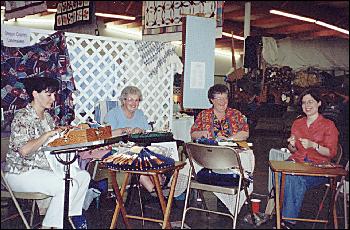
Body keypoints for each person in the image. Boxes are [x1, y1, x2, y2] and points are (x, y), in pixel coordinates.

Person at [4, 77, 90, 229]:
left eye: (54, 94)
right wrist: (46, 135)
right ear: (35, 94)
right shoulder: (22, 117)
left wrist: (63, 134)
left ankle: (68, 215)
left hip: (43, 169)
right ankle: (51, 225)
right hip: (20, 173)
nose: (54, 98)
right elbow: (24, 150)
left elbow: (51, 143)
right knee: (66, 185)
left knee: (83, 176)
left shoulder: (48, 117)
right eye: (49, 94)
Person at [276, 88, 339, 228]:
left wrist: (314, 145)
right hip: (298, 161)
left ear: (319, 103)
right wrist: (291, 145)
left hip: (319, 167)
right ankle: (283, 216)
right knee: (280, 173)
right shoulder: (297, 123)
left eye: (310, 102)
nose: (307, 105)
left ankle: (287, 221)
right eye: (304, 102)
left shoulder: (328, 125)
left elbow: (331, 153)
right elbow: (293, 150)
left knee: (292, 177)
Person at [103, 86, 163, 193]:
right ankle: (155, 192)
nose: (134, 103)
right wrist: (123, 130)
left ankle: (161, 189)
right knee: (139, 162)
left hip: (140, 150)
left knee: (154, 158)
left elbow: (148, 132)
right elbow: (106, 134)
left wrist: (141, 130)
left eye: (136, 100)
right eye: (130, 99)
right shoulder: (113, 113)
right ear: (123, 100)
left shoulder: (140, 114)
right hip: (119, 151)